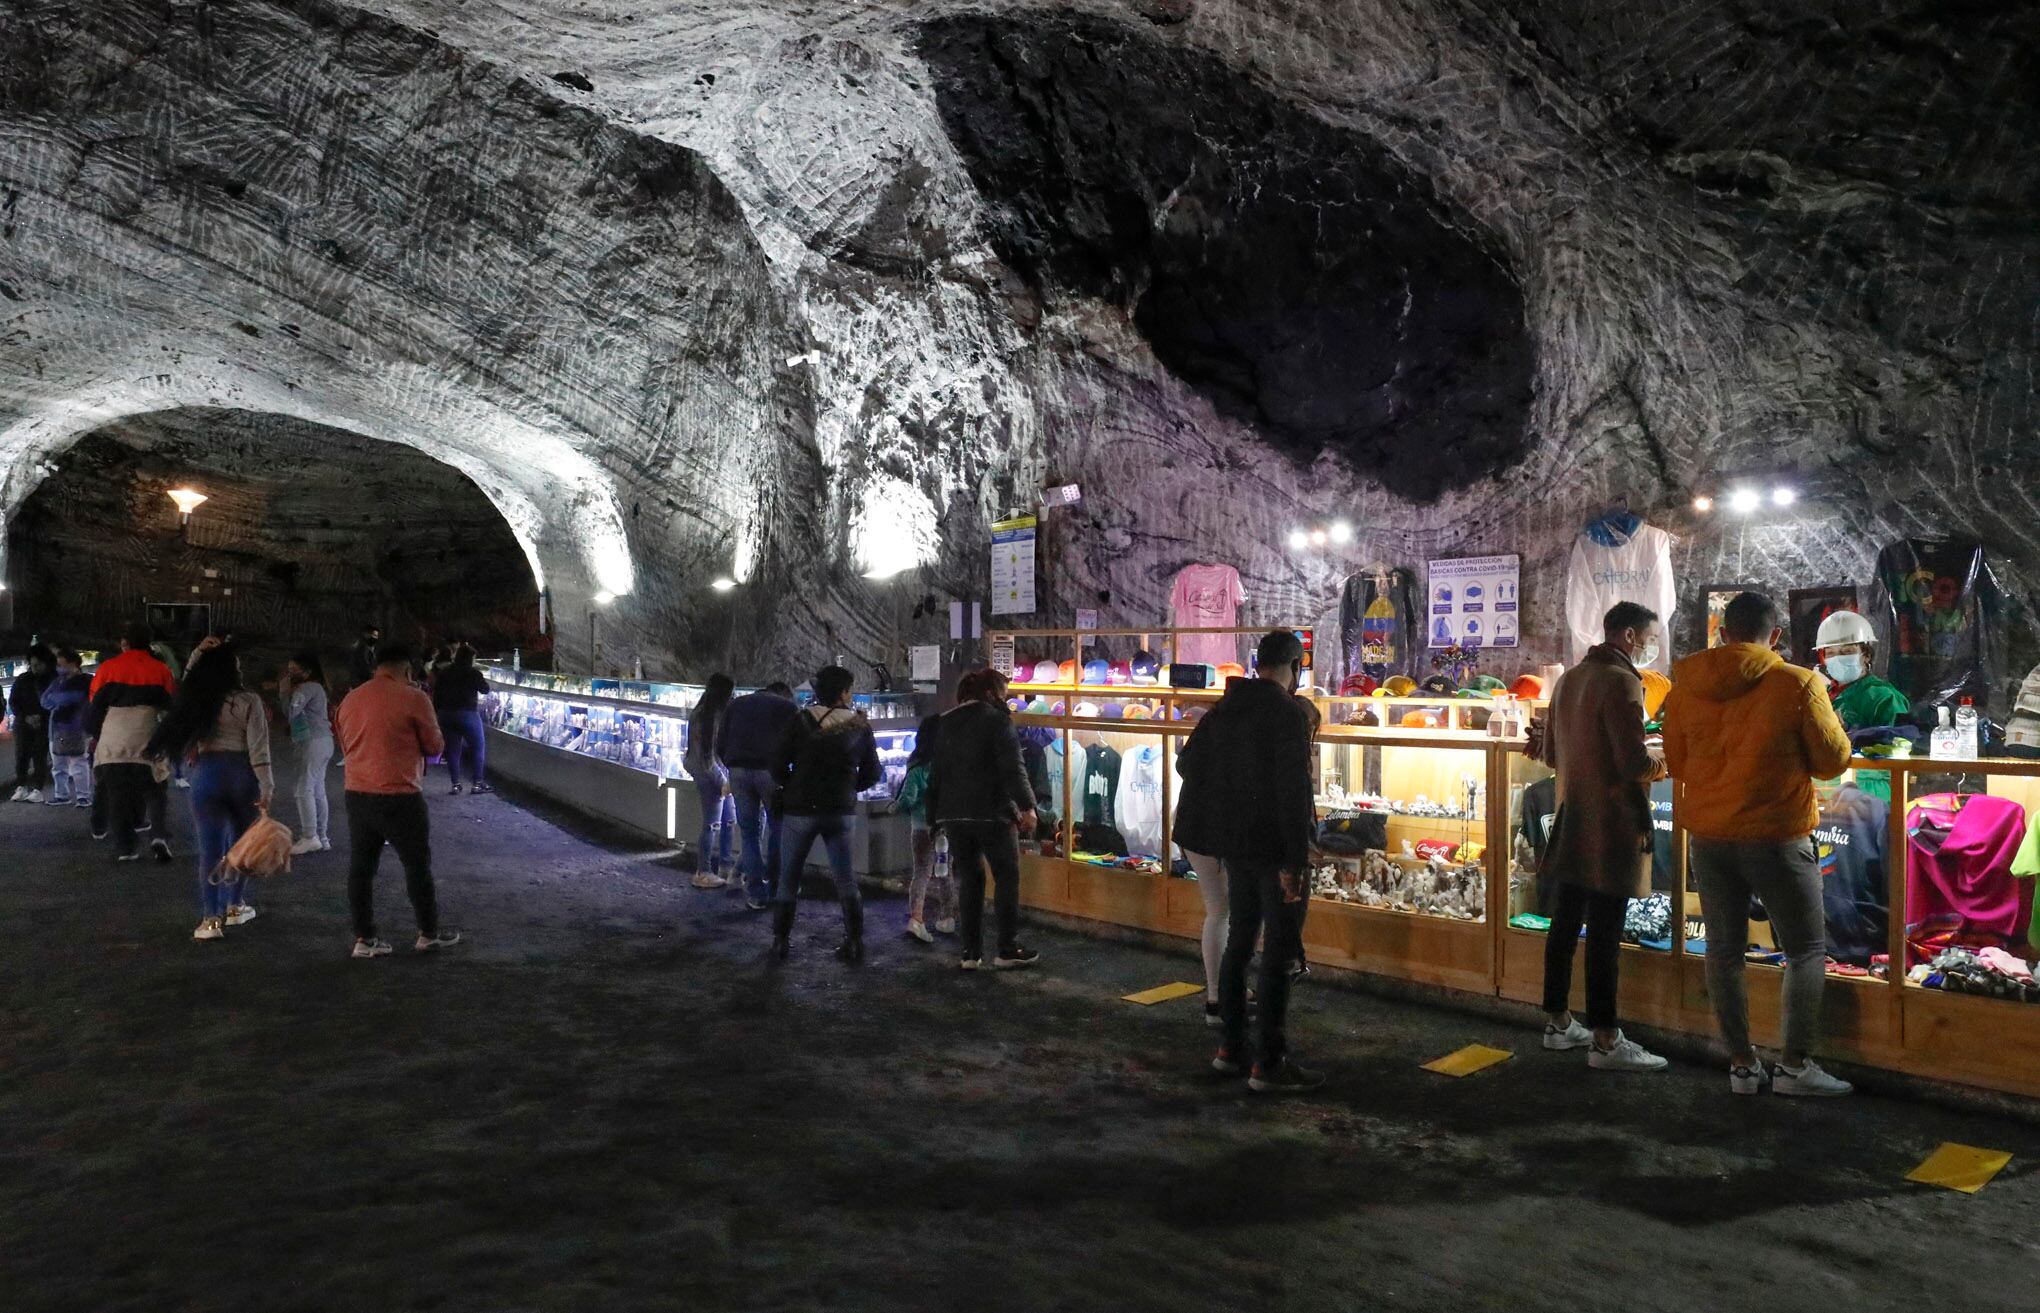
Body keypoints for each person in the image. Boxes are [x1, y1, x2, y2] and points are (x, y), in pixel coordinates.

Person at [1662, 590, 1854, 1097]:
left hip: (1709, 835)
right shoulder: (1798, 683)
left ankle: (1743, 1066)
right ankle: (1794, 1066)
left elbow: (1676, 763)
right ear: (1775, 636)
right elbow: (1833, 760)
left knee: (1723, 950)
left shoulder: (1685, 685)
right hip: (1776, 834)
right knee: (1806, 949)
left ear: (1723, 634)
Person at [1174, 630, 1319, 1094]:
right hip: (1276, 850)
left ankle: (1231, 1049)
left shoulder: (1227, 707)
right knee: (1278, 953)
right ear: (1295, 667)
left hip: (1235, 847)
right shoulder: (1286, 713)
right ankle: (1269, 1063)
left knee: (1240, 943)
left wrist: (1228, 797)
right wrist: (1296, 860)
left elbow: (1187, 763)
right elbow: (1295, 793)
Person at [1531, 602, 1670, 1073]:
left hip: (1572, 818)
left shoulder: (1570, 678)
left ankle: (1558, 1021)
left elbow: (1550, 754)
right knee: (1606, 932)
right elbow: (1633, 763)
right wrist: (1669, 758)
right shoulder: (1623, 681)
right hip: (1612, 825)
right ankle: (1607, 1039)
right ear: (1630, 636)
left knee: (1565, 923)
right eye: (1651, 637)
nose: (1654, 646)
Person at [335, 642, 461, 959]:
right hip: (401, 795)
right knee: (416, 866)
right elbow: (434, 748)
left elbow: (344, 743)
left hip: (358, 794)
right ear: (407, 669)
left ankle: (364, 939)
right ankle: (427, 934)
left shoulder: (350, 699)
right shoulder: (414, 698)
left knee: (361, 869)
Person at [149, 638, 274, 941]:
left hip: (206, 776)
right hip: (241, 775)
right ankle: (234, 906)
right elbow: (259, 749)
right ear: (232, 670)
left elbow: (187, 683)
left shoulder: (198, 700)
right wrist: (267, 785)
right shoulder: (248, 701)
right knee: (243, 845)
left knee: (210, 850)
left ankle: (210, 920)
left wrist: (197, 654)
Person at [927, 670, 1038, 969]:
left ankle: (970, 953)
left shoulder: (946, 721)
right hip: (992, 812)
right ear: (993, 692)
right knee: (1006, 876)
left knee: (970, 880)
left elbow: (935, 773)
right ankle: (1006, 948)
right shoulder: (997, 720)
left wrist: (933, 816)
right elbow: (1013, 768)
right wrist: (1028, 806)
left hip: (953, 814)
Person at [769, 666, 881, 963]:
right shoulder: (859, 727)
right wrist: (849, 787)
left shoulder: (801, 720)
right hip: (841, 811)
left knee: (789, 877)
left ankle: (781, 941)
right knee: (845, 878)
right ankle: (855, 942)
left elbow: (777, 763)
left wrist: (791, 783)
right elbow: (873, 772)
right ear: (843, 693)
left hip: (801, 809)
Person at [88, 624, 178, 862]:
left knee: (117, 794)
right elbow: (170, 707)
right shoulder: (161, 670)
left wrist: (97, 734)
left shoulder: (108, 668)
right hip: (146, 734)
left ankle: (126, 848)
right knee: (156, 789)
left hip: (113, 737)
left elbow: (94, 704)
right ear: (149, 643)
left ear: (124, 642)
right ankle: (158, 834)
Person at [718, 680, 799, 910]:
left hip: (739, 772)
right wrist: (787, 772)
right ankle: (777, 887)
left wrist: (732, 766)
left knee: (749, 833)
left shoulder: (736, 704)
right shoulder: (786, 708)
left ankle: (756, 893)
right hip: (771, 773)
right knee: (777, 829)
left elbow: (720, 742)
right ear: (784, 694)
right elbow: (797, 744)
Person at [893, 714, 957, 944]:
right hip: (945, 828)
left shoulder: (918, 766)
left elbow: (908, 797)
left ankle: (917, 919)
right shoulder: (952, 763)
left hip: (921, 827)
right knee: (946, 871)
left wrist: (895, 807)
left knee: (921, 872)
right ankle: (947, 918)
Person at [1814, 609, 1911, 731]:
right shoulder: (1822, 696)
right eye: (1831, 653)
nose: (1838, 659)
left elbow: (1897, 744)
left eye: (1847, 652)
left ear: (1866, 656)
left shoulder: (1885, 699)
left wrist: (1848, 731)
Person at [278, 652, 335, 855]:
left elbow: (290, 712)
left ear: (307, 671)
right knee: (317, 788)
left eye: (294, 670)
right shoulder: (316, 687)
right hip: (323, 741)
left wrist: (283, 693)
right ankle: (322, 836)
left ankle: (310, 837)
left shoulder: (307, 688)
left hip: (313, 742)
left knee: (303, 788)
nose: (289, 674)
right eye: (289, 669)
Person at [684, 673, 737, 888]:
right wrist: (723, 781)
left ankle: (725, 865)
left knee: (729, 819)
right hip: (710, 776)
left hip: (716, 773)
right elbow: (707, 758)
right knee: (712, 823)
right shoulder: (708, 717)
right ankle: (703, 871)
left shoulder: (706, 712)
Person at [431, 644, 493, 795]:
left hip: (446, 714)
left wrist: (438, 713)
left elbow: (437, 694)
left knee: (453, 750)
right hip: (468, 713)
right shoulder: (473, 673)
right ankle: (477, 783)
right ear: (471, 658)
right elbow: (485, 689)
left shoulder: (445, 673)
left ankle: (455, 784)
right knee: (478, 747)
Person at [39, 648, 95, 809]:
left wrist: (56, 700)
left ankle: (83, 796)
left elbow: (70, 698)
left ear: (73, 664)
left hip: (76, 728)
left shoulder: (85, 680)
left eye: (61, 664)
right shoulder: (58, 681)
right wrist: (59, 700)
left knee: (79, 763)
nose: (58, 668)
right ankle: (61, 795)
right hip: (56, 728)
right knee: (58, 764)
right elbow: (44, 700)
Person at [8, 644, 53, 802]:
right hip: (23, 723)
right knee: (22, 755)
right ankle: (21, 786)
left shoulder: (52, 680)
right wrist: (25, 716)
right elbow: (13, 701)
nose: (35, 668)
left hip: (43, 723)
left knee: (39, 755)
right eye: (32, 665)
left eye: (38, 665)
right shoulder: (23, 679)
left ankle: (38, 788)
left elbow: (54, 703)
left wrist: (41, 717)